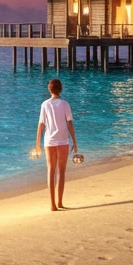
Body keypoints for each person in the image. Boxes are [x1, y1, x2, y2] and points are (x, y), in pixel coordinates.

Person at [34, 77, 78, 211]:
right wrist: (75, 142)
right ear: (61, 89)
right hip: (63, 140)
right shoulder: (65, 104)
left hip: (49, 141)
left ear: (49, 89)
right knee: (62, 171)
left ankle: (52, 204)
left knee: (51, 171)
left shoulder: (45, 104)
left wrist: (37, 143)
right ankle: (60, 202)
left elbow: (41, 124)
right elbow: (70, 123)